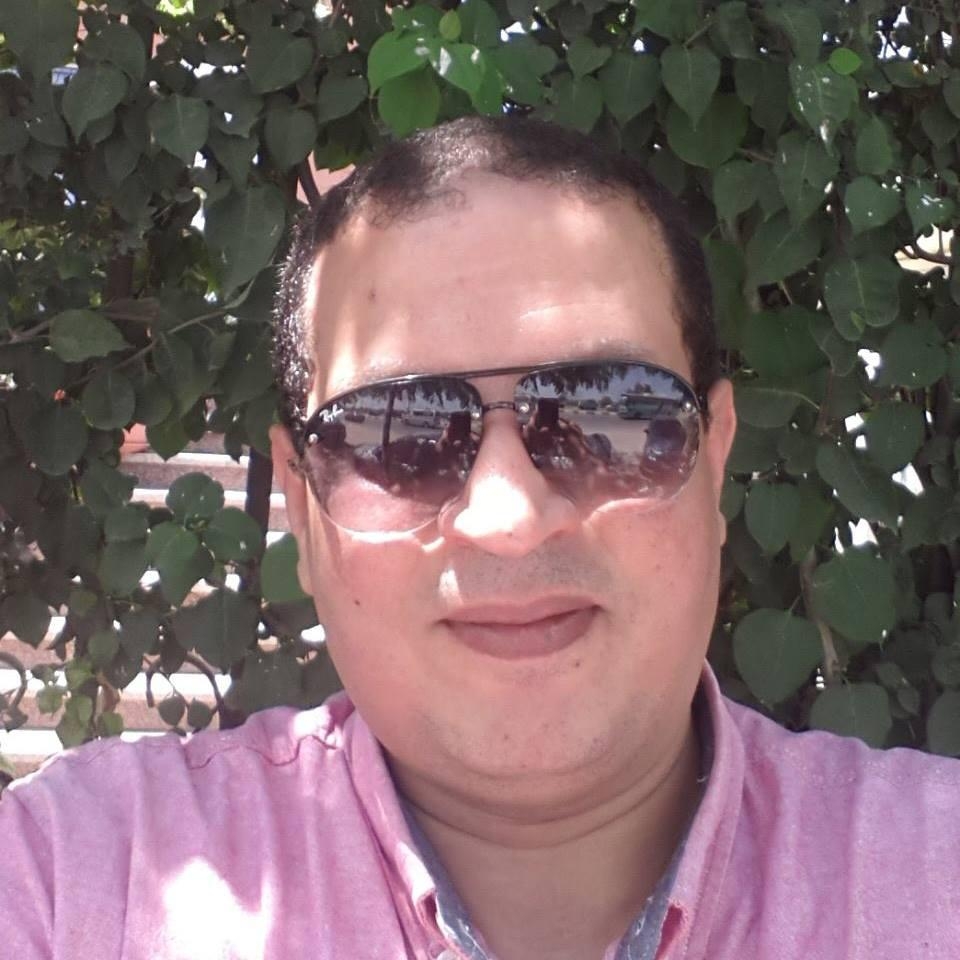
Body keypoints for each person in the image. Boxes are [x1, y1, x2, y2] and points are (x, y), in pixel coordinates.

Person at [2, 115, 959, 960]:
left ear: (714, 461)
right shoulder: (74, 881)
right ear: (301, 500)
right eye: (397, 435)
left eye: (612, 414)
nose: (509, 520)